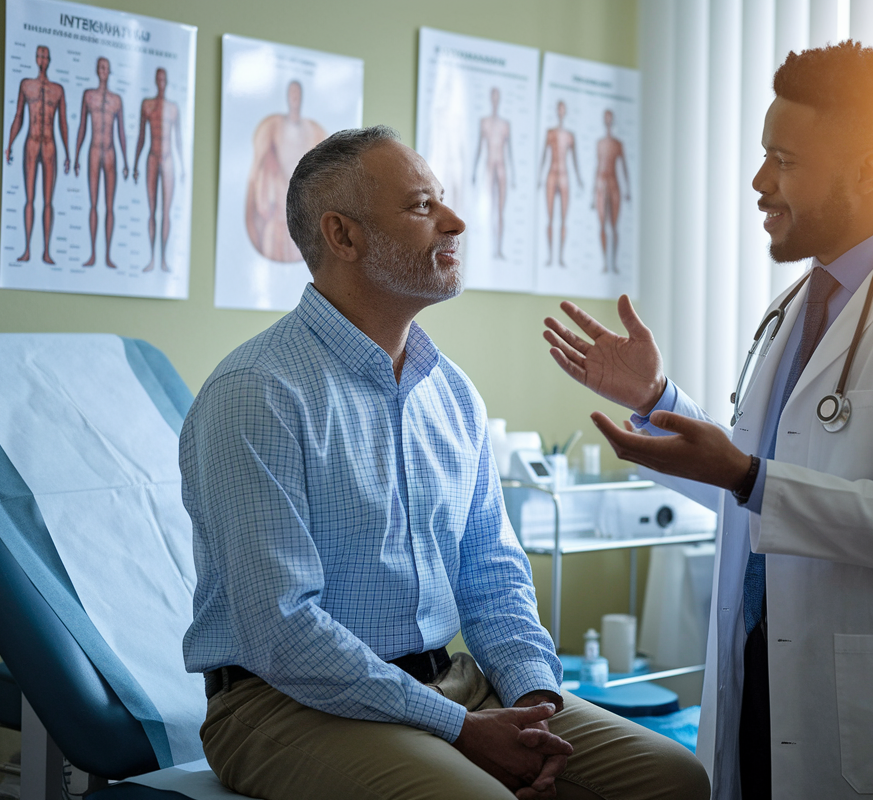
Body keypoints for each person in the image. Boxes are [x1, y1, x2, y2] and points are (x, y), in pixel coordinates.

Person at [543, 42, 873, 799]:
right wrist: (661, 402)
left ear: (867, 169)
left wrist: (745, 474)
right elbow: (756, 487)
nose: (761, 183)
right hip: (769, 679)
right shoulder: (795, 307)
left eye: (785, 161)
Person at [180, 126, 709, 800]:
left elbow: (493, 576)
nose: (456, 223)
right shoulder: (257, 393)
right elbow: (283, 632)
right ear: (343, 237)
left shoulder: (451, 392)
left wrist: (535, 700)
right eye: (422, 207)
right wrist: (459, 728)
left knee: (674, 779)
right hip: (283, 704)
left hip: (453, 685)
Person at [245, 80, 327, 263]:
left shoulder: (313, 131)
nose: (294, 97)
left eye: (297, 93)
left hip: (300, 211)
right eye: (291, 93)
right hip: (276, 207)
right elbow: (260, 169)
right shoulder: (272, 127)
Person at [4, 45, 69, 265]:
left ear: (49, 59)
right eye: (39, 55)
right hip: (31, 143)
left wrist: (69, 154)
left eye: (45, 55)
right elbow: (18, 116)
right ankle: (27, 249)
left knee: (48, 201)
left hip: (50, 146)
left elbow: (63, 124)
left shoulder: (58, 90)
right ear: (35, 58)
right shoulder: (26, 85)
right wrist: (9, 144)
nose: (42, 59)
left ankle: (47, 251)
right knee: (30, 199)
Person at [73, 56, 129, 269]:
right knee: (94, 204)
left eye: (106, 67)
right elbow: (82, 128)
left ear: (109, 71)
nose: (103, 70)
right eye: (100, 67)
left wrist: (125, 161)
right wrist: (76, 156)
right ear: (97, 71)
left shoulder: (116, 100)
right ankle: (93, 254)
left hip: (111, 152)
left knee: (109, 206)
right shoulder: (89, 96)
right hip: (94, 150)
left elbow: (121, 132)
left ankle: (107, 255)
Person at [133, 67, 183, 273]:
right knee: (152, 210)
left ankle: (163, 260)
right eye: (158, 78)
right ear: (155, 80)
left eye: (164, 78)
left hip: (169, 159)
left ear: (167, 81)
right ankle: (152, 258)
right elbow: (141, 137)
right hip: (152, 157)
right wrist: (135, 163)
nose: (161, 82)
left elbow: (178, 139)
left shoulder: (173, 108)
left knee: (166, 212)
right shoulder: (147, 105)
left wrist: (183, 167)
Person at [472, 87, 514, 260]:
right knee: (488, 208)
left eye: (498, 96)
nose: (495, 99)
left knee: (500, 210)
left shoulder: (505, 124)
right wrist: (474, 171)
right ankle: (489, 249)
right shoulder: (484, 122)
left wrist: (515, 175)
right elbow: (479, 148)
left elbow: (510, 151)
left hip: (502, 168)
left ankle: (498, 249)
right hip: (489, 167)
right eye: (493, 96)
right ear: (490, 98)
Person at [539, 101, 582, 266]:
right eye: (559, 108)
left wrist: (578, 179)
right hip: (551, 174)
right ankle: (551, 257)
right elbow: (544, 155)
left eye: (563, 109)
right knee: (550, 219)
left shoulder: (570, 136)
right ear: (557, 111)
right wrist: (539, 177)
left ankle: (561, 257)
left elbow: (575, 160)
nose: (560, 111)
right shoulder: (550, 133)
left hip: (565, 176)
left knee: (563, 219)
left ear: (565, 111)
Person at [592, 109, 630, 274]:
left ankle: (613, 263)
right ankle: (605, 264)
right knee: (602, 225)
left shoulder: (618, 144)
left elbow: (624, 168)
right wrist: (592, 193)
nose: (608, 120)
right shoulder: (599, 143)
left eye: (610, 117)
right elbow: (597, 167)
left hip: (614, 185)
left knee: (614, 227)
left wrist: (628, 189)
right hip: (601, 185)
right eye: (605, 117)